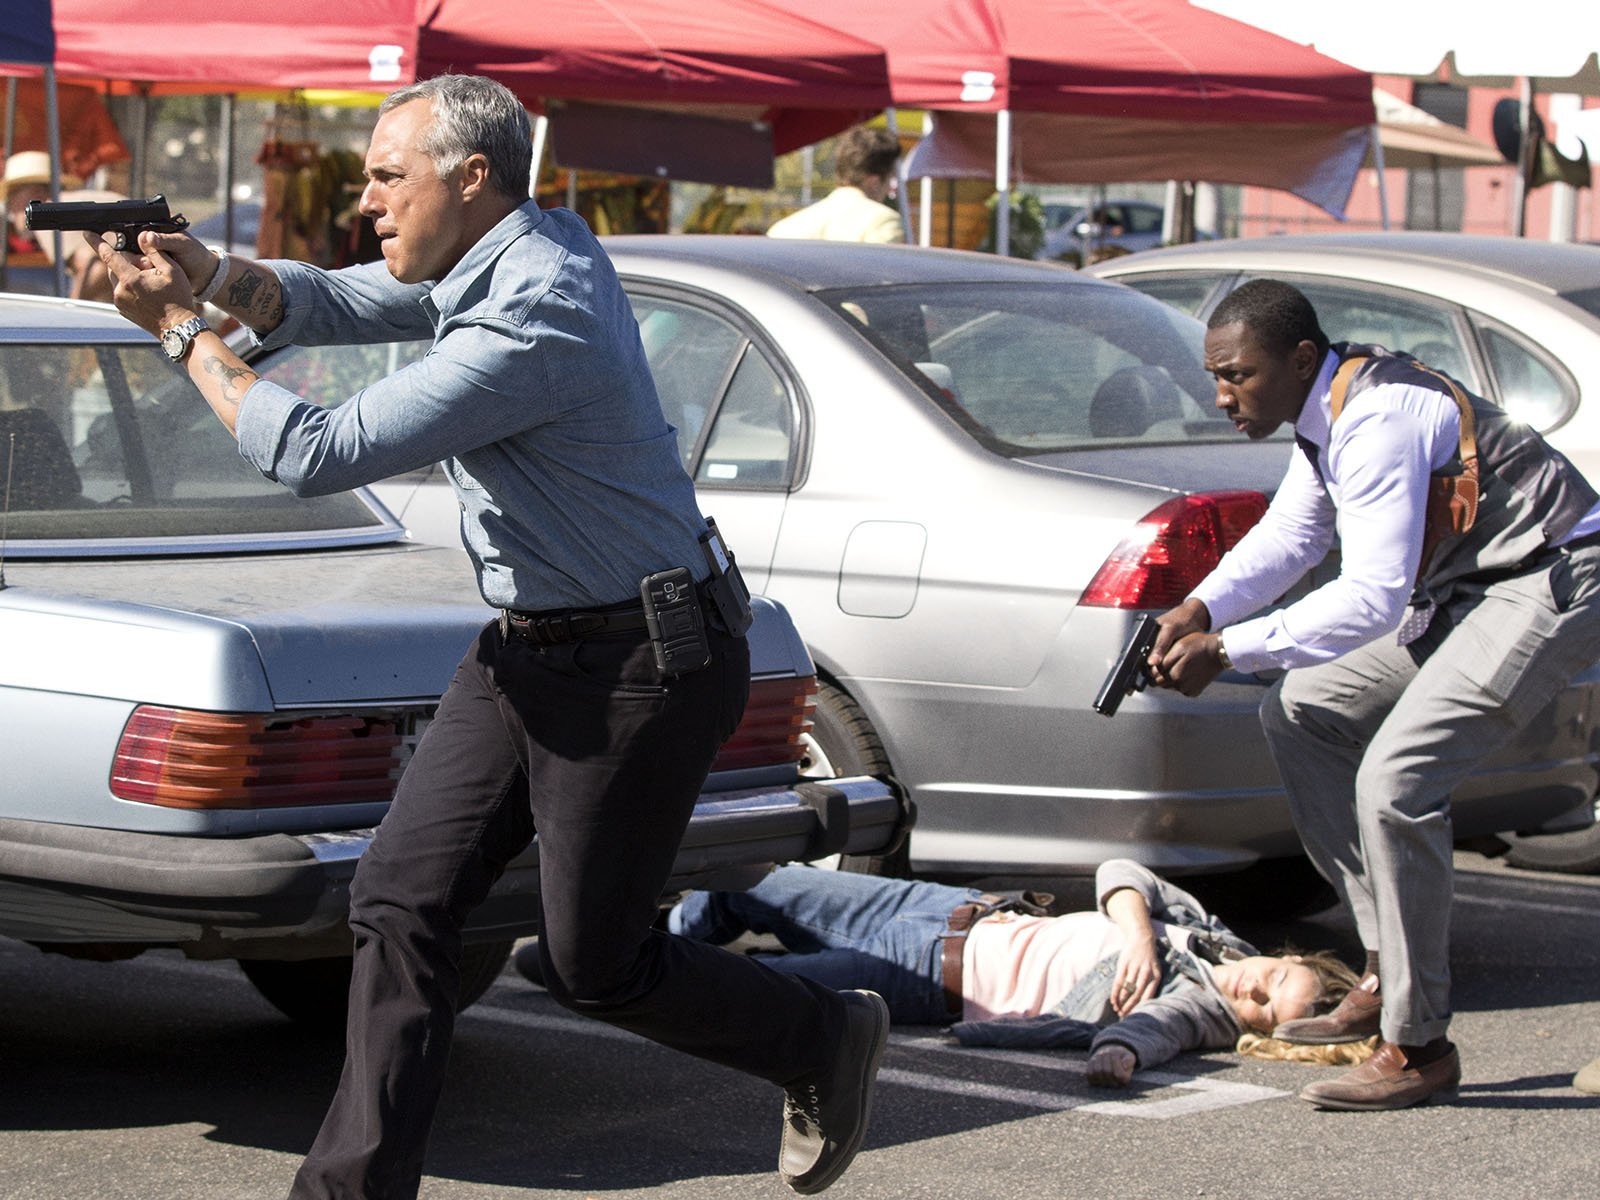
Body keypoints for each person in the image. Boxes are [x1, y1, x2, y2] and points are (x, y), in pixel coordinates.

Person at [89, 73, 888, 1199]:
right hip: (532, 649)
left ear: (471, 178)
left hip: (644, 663)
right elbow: (345, 300)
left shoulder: (536, 306)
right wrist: (210, 275)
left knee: (594, 967)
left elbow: (317, 450)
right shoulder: (508, 246)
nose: (366, 199)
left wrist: (180, 331)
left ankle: (817, 1033)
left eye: (385, 176)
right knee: (396, 900)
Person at [1147, 278, 1600, 1111]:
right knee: (1301, 711)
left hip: (1548, 581)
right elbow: (1293, 535)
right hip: (1472, 588)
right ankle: (1388, 967)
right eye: (1216, 376)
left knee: (1396, 783)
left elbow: (1372, 599)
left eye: (1238, 375)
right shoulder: (1326, 416)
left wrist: (1230, 647)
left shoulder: (1376, 419)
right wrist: (1201, 605)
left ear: (1301, 360)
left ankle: (1419, 1044)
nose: (1221, 395)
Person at [624, 858, 1362, 1087]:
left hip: (930, 976)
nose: (1250, 992)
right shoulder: (1210, 936)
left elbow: (1152, 1028)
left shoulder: (1197, 1006)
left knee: (770, 986)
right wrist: (1139, 935)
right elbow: (1123, 870)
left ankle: (623, 964)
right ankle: (640, 941)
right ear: (1285, 955)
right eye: (1271, 979)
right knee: (748, 881)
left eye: (1263, 1011)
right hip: (944, 907)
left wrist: (1117, 1052)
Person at [3, 150, 123, 302]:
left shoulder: (52, 214)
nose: (10, 208)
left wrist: (72, 310)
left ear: (35, 192)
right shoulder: (76, 202)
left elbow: (94, 267)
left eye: (13, 196)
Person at [766, 125, 904, 244]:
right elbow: (881, 273)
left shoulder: (784, 228)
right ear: (873, 181)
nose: (890, 189)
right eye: (889, 180)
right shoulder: (882, 222)